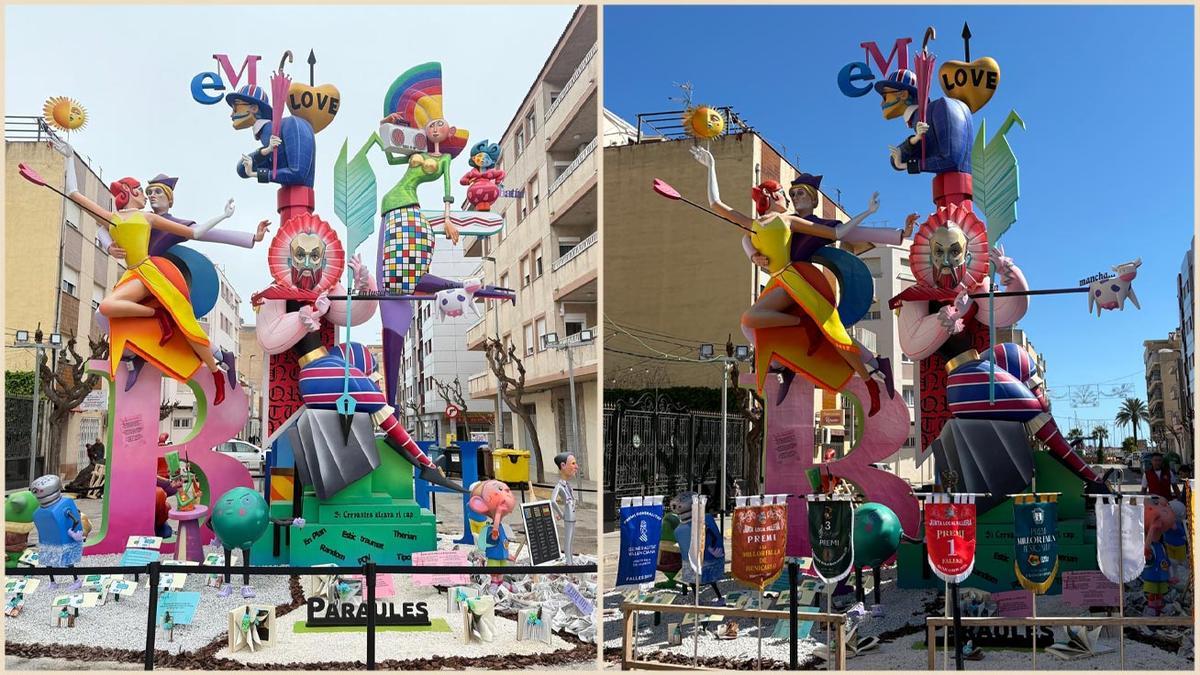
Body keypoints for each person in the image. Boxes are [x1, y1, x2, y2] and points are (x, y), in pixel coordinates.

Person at [692, 147, 906, 413]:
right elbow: (723, 211)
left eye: (797, 193)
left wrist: (886, 225)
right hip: (778, 281)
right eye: (789, 193)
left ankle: (869, 375)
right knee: (753, 325)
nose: (793, 197)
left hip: (799, 278)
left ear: (813, 198)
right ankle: (786, 363)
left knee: (832, 333)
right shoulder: (759, 223)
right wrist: (711, 166)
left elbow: (843, 231)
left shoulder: (793, 220)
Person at [52, 141, 236, 405]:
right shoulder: (111, 218)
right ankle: (150, 325)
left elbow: (194, 233)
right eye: (140, 190)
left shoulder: (147, 218)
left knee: (186, 322)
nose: (145, 196)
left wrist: (223, 215)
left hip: (151, 272)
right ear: (127, 193)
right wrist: (69, 156)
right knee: (105, 308)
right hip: (132, 275)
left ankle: (217, 371)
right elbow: (73, 193)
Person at [98, 174, 270, 390]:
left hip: (160, 276)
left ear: (170, 198)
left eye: (157, 192)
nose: (152, 196)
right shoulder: (136, 216)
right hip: (137, 277)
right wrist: (107, 246)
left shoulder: (167, 222)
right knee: (103, 314)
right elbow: (103, 227)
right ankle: (135, 354)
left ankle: (219, 356)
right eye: (149, 192)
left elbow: (207, 234)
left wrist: (252, 237)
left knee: (182, 323)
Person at [550, 452, 579, 562]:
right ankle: (568, 562)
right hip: (568, 518)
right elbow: (552, 501)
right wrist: (562, 514)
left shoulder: (568, 486)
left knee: (571, 541)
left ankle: (570, 560)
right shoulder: (560, 486)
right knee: (568, 541)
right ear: (563, 466)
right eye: (573, 463)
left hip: (572, 518)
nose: (576, 467)